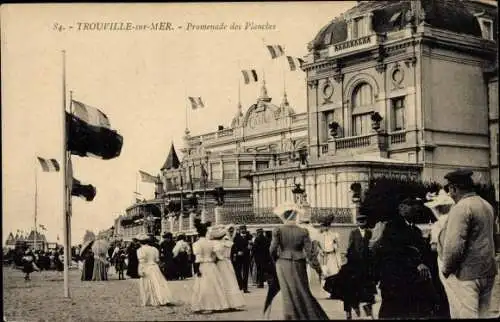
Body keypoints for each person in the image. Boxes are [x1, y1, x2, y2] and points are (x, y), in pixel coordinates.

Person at [441, 169, 497, 318]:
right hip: (488, 270)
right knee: (484, 314)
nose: (450, 194)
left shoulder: (460, 208)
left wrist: (446, 268)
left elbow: (454, 246)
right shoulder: (487, 205)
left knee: (467, 314)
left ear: (454, 188)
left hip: (468, 274)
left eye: (450, 190)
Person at [370, 197, 438, 319]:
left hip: (409, 279)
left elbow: (423, 251)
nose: (415, 208)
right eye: (410, 204)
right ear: (401, 207)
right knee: (392, 311)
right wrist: (417, 263)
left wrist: (423, 263)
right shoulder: (392, 227)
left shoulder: (415, 230)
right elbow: (396, 250)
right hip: (394, 279)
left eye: (416, 205)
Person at [269, 206, 329, 320]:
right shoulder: (303, 231)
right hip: (299, 262)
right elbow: (310, 254)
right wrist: (318, 269)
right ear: (295, 216)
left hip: (283, 263)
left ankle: (290, 316)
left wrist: (276, 259)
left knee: (287, 293)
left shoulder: (278, 230)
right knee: (303, 290)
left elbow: (272, 249)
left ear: (284, 216)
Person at [426, 189, 455, 318]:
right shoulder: (455, 220)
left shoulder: (438, 224)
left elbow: (433, 247)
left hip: (443, 257)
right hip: (457, 257)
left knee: (444, 287)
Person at [191, 219, 230, 313]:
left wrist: (197, 270)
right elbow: (215, 255)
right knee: (214, 285)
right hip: (211, 265)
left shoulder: (197, 244)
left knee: (203, 285)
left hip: (203, 265)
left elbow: (198, 258)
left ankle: (204, 305)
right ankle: (219, 304)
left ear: (198, 233)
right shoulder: (211, 243)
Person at [344, 214, 376, 319]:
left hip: (366, 263)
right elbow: (350, 246)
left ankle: (368, 310)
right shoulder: (353, 232)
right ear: (357, 223)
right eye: (359, 221)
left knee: (367, 286)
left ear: (366, 222)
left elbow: (371, 246)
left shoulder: (369, 232)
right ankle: (352, 308)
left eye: (363, 221)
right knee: (351, 285)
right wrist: (349, 259)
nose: (361, 223)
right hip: (355, 262)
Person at [209, 224, 246, 310]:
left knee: (222, 281)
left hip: (221, 262)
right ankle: (233, 303)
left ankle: (223, 302)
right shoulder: (228, 242)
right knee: (230, 281)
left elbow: (216, 256)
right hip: (228, 262)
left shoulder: (217, 245)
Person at [136, 233, 177, 307]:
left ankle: (150, 299)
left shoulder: (140, 250)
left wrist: (140, 270)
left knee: (148, 285)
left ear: (140, 242)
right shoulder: (154, 249)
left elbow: (141, 261)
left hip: (146, 267)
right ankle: (162, 298)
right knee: (158, 283)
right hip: (155, 267)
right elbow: (157, 260)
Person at [231, 225, 252, 293]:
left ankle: (245, 288)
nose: (243, 230)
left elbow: (250, 247)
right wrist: (236, 253)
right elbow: (233, 246)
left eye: (244, 229)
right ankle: (240, 285)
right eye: (241, 229)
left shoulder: (249, 237)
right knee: (238, 272)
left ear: (246, 229)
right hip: (238, 257)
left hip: (246, 257)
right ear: (239, 230)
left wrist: (243, 252)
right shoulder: (236, 237)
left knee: (246, 272)